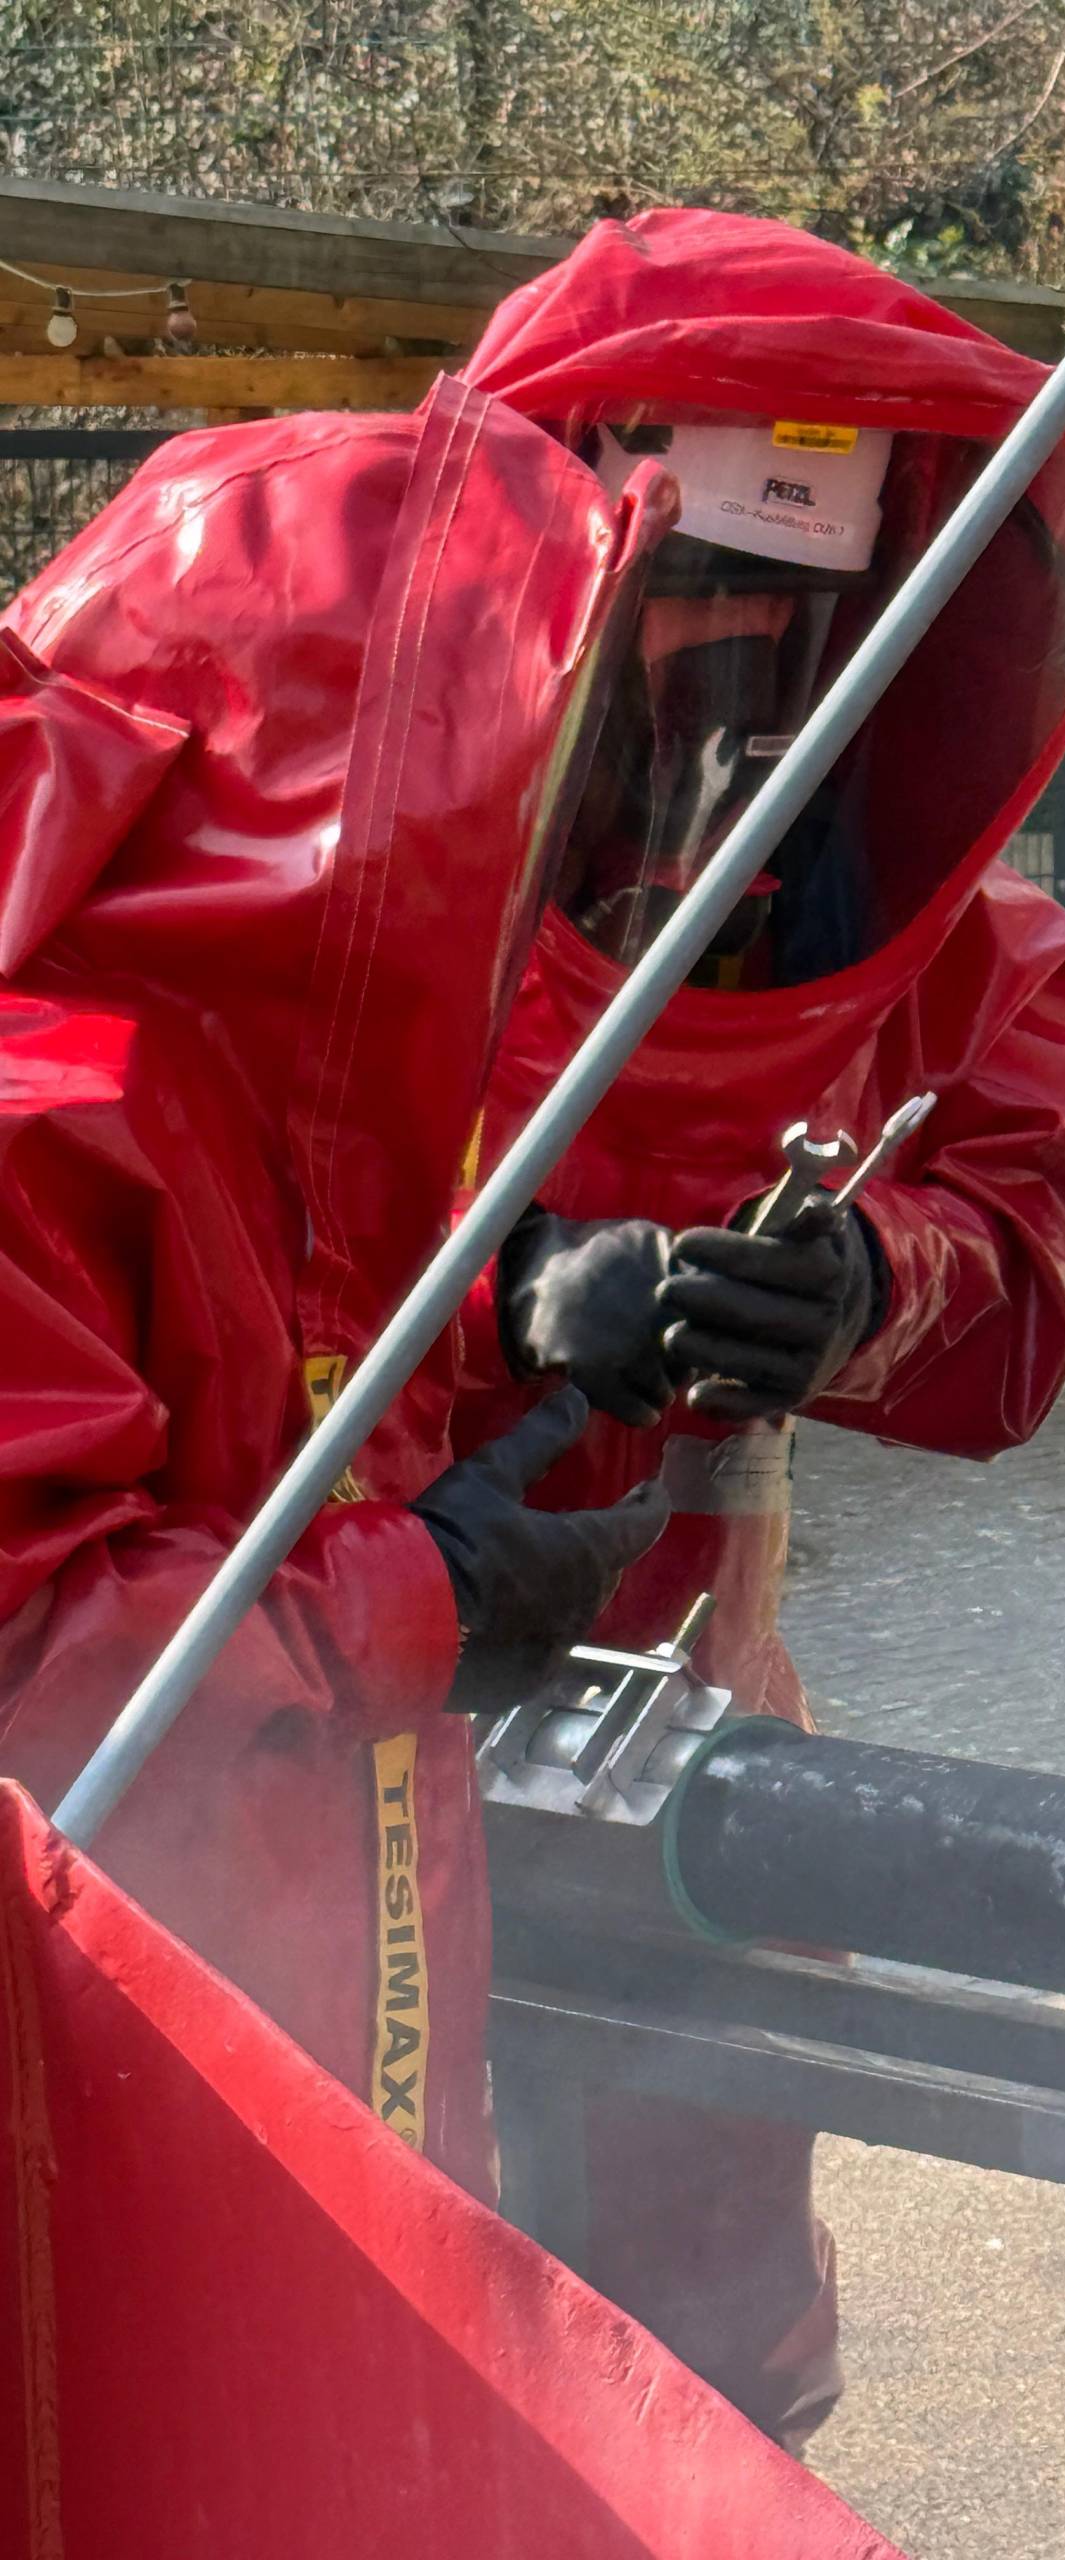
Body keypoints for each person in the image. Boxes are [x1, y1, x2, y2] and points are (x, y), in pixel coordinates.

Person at [449, 209, 1065, 2444]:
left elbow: (1039, 1227)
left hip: (688, 1726)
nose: (721, 708)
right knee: (365, 2300)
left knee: (690, 2336)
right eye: (680, 615)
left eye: (788, 636)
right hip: (329, 1709)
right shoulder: (341, 853)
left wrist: (862, 1284)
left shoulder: (905, 911)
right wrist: (493, 1281)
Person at [0, 380, 677, 2191]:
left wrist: (509, 1300)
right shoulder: (41, 1106)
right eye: (514, 777)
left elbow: (251, 1420)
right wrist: (422, 1600)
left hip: (319, 2036)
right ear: (345, 795)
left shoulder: (253, 1070)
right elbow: (31, 1678)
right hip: (107, 2148)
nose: (564, 840)